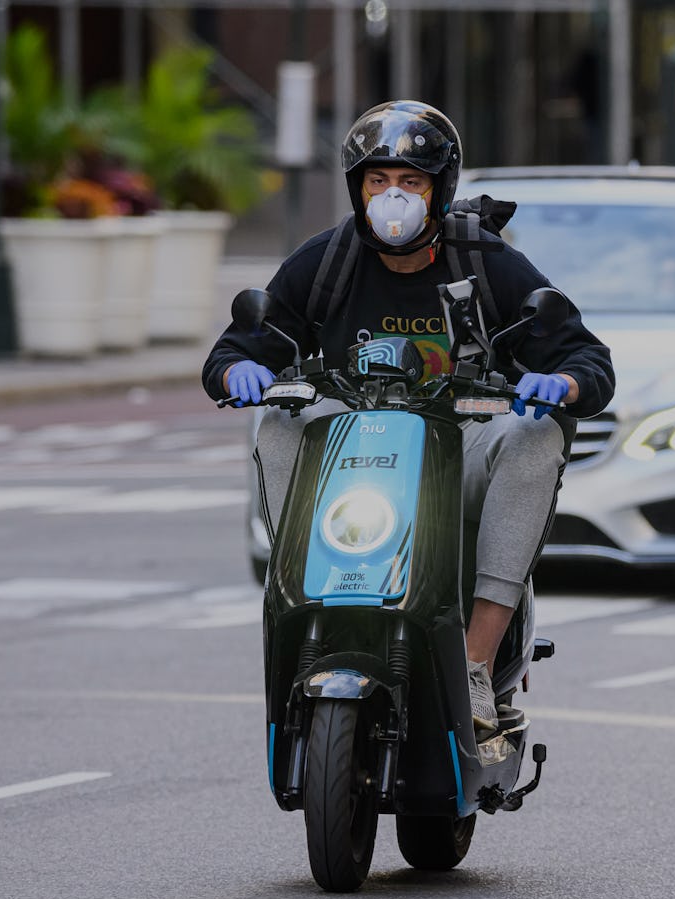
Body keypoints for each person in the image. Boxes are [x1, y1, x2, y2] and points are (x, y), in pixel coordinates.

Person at [202, 100, 615, 732]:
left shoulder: (485, 260)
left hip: (459, 450)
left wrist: (560, 382)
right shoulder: (326, 262)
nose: (392, 197)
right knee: (280, 423)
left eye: (410, 182)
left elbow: (587, 359)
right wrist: (238, 372)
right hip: (351, 450)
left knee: (534, 436)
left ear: (440, 190)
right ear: (357, 189)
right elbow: (238, 347)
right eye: (378, 181)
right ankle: (304, 610)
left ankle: (475, 664)